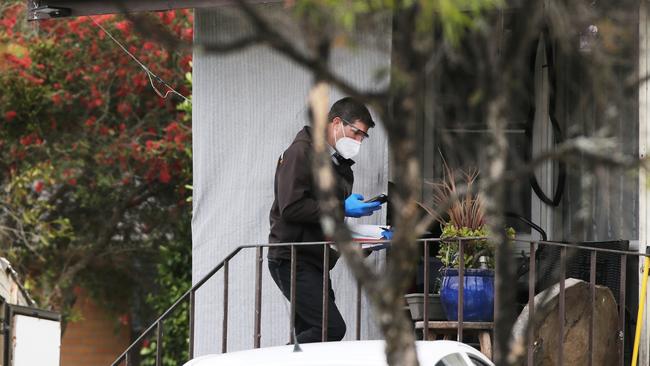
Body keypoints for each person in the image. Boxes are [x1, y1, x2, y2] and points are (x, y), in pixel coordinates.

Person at [267, 97, 382, 343]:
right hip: (291, 258)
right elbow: (292, 207)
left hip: (316, 260)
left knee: (311, 337)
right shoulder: (300, 152)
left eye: (363, 137)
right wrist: (342, 207)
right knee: (330, 329)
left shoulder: (340, 166)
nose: (359, 141)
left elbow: (327, 220)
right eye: (356, 132)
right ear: (336, 122)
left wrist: (365, 241)